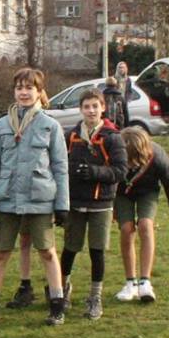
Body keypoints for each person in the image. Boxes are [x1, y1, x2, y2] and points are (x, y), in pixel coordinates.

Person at [0, 67, 69, 328]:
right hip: (8, 199)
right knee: (0, 253)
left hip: (40, 200)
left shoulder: (50, 126)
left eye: (29, 87)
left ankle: (56, 303)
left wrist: (62, 205)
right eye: (19, 87)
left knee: (47, 252)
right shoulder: (1, 125)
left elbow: (60, 167)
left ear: (39, 92)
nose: (24, 92)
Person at [61, 86, 128, 319]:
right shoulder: (71, 136)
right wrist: (73, 171)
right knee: (70, 248)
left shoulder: (113, 136)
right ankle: (62, 290)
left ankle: (95, 296)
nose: (91, 111)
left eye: (95, 106)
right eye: (86, 106)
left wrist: (94, 172)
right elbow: (60, 165)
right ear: (80, 109)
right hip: (76, 201)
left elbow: (120, 171)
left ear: (103, 108)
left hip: (101, 202)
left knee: (96, 251)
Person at [114, 125, 169, 303]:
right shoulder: (114, 153)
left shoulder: (158, 156)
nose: (130, 164)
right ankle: (130, 283)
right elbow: (108, 180)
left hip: (148, 192)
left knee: (145, 225)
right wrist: (111, 209)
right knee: (127, 229)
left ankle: (145, 282)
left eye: (133, 159)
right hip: (122, 195)